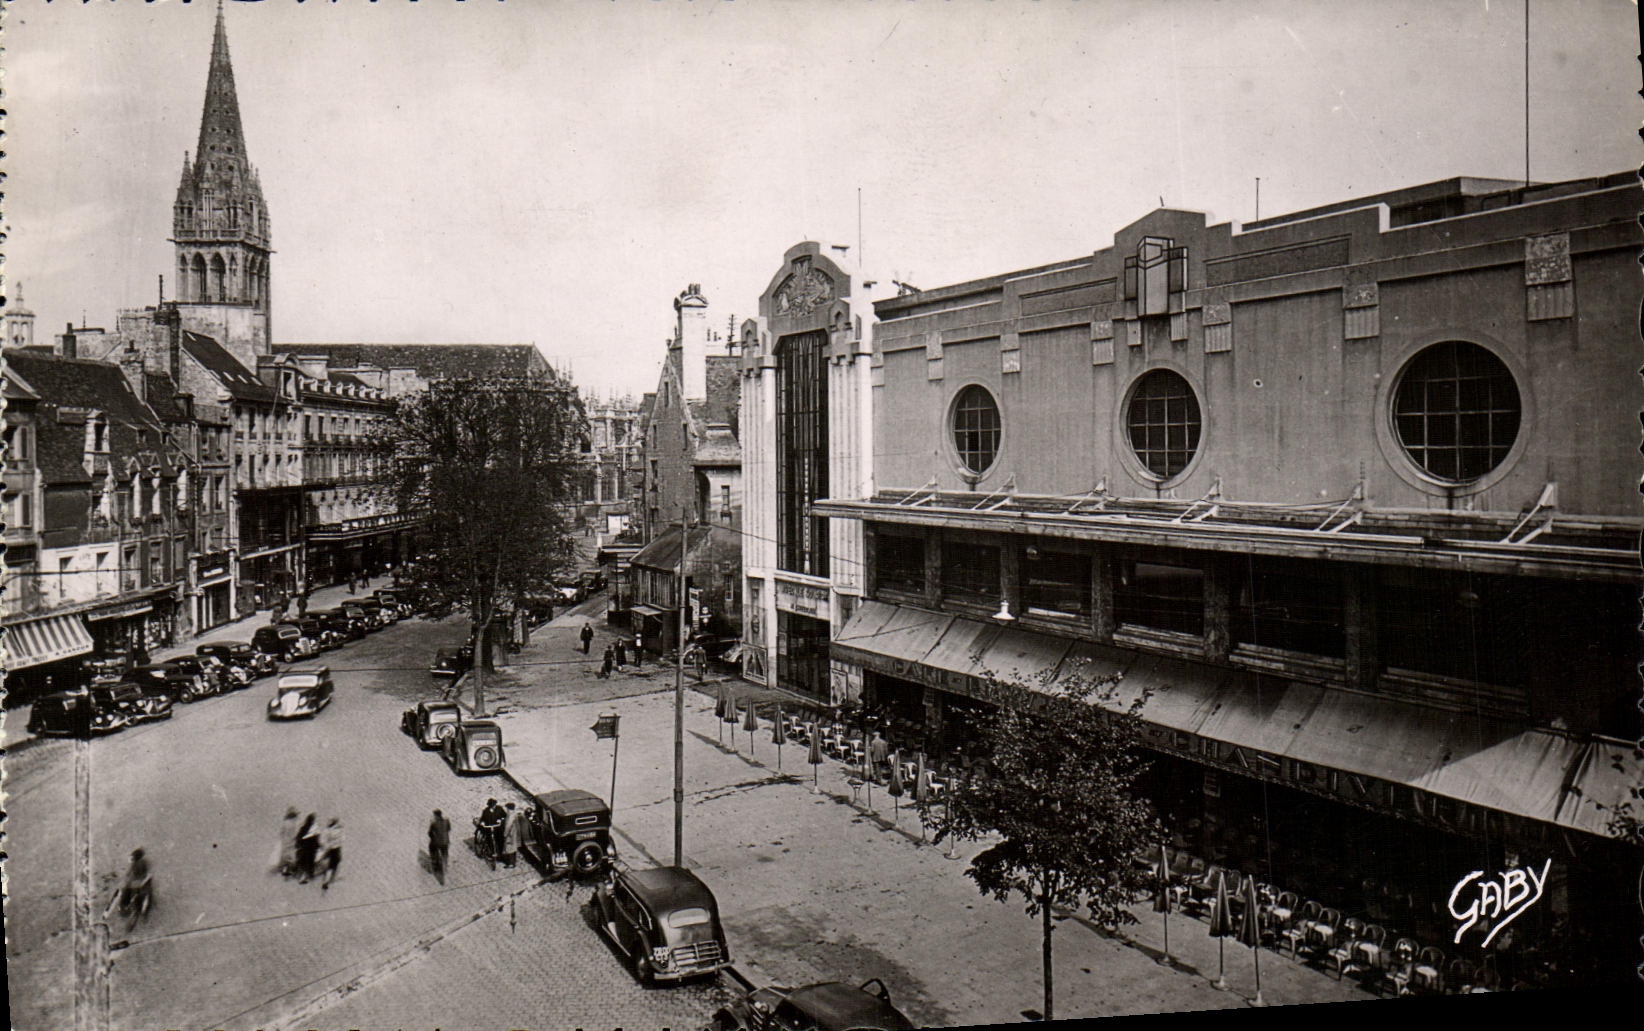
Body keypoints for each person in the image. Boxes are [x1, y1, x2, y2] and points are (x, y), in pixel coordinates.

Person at [119, 848, 153, 922]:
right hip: (141, 883)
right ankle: (143, 912)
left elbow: (129, 874)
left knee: (126, 893)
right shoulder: (142, 864)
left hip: (135, 884)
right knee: (146, 897)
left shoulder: (134, 864)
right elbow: (147, 875)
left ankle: (124, 906)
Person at [477, 798, 507, 871]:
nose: (493, 806)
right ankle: (491, 852)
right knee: (489, 839)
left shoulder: (499, 809)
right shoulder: (486, 811)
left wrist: (501, 819)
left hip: (498, 828)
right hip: (489, 828)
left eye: (494, 805)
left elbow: (504, 815)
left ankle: (500, 854)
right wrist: (483, 822)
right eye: (491, 806)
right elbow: (482, 819)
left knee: (500, 840)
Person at [428, 809, 452, 885]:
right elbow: (449, 829)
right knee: (445, 854)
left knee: (431, 847)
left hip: (437, 842)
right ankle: (445, 865)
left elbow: (430, 833)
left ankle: (434, 861)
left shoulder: (434, 823)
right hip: (445, 841)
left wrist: (433, 837)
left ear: (435, 816)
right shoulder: (447, 821)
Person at [296, 813, 321, 883]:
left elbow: (299, 837)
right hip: (311, 848)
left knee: (303, 862)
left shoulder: (303, 827)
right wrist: (318, 846)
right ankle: (307, 876)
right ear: (313, 821)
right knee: (310, 862)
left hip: (304, 848)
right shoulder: (315, 829)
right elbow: (316, 839)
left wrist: (299, 845)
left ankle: (302, 876)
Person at [319, 817, 343, 890]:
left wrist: (325, 846)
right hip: (336, 849)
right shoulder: (339, 830)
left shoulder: (328, 830)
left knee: (329, 864)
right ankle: (328, 881)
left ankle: (327, 879)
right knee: (334, 864)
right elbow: (342, 839)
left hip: (329, 848)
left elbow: (323, 841)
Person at [278, 807, 300, 877]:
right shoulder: (294, 823)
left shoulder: (285, 823)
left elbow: (281, 833)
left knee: (285, 855)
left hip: (285, 841)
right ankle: (292, 869)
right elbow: (296, 833)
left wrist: (283, 839)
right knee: (292, 855)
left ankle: (285, 869)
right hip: (292, 841)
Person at [501, 802, 522, 869]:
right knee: (513, 847)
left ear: (508, 808)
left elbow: (508, 826)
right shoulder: (514, 814)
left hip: (511, 834)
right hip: (515, 832)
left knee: (509, 847)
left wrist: (505, 833)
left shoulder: (510, 816)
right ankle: (513, 862)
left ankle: (510, 863)